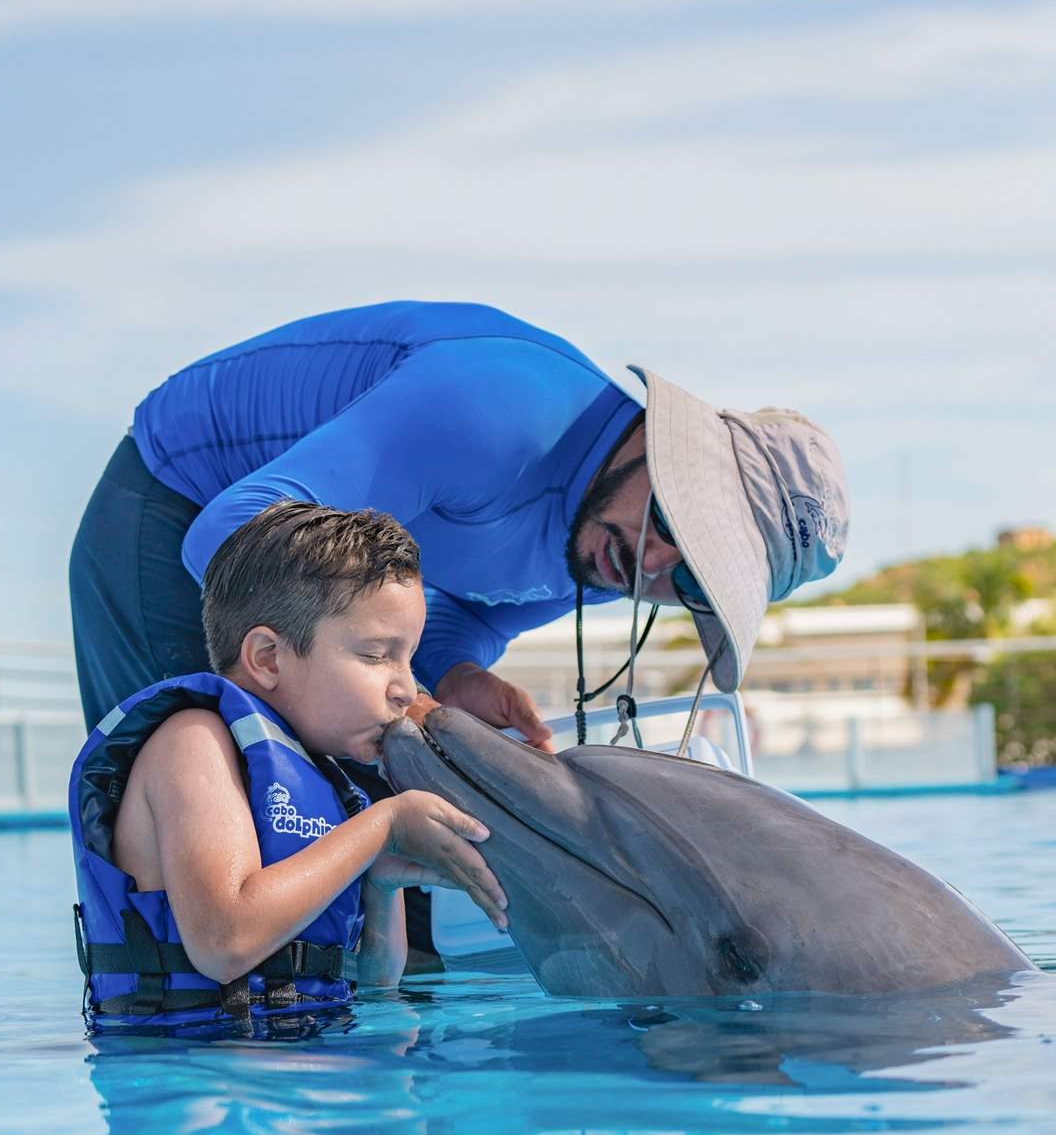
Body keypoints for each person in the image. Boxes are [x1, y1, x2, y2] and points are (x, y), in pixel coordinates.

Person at [69, 300, 850, 745]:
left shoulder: (614, 553)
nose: (656, 564)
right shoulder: (496, 407)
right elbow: (228, 533)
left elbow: (458, 625)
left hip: (277, 569)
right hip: (174, 500)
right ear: (664, 448)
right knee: (191, 789)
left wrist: (458, 678)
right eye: (682, 519)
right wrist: (404, 696)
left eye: (693, 574)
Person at [70, 501, 507, 1024]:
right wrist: (382, 826)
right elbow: (224, 942)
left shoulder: (322, 777)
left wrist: (381, 882)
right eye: (376, 655)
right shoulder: (194, 743)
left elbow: (373, 984)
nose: (406, 688)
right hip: (192, 1077)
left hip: (295, 1064)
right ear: (268, 658)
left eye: (409, 657)